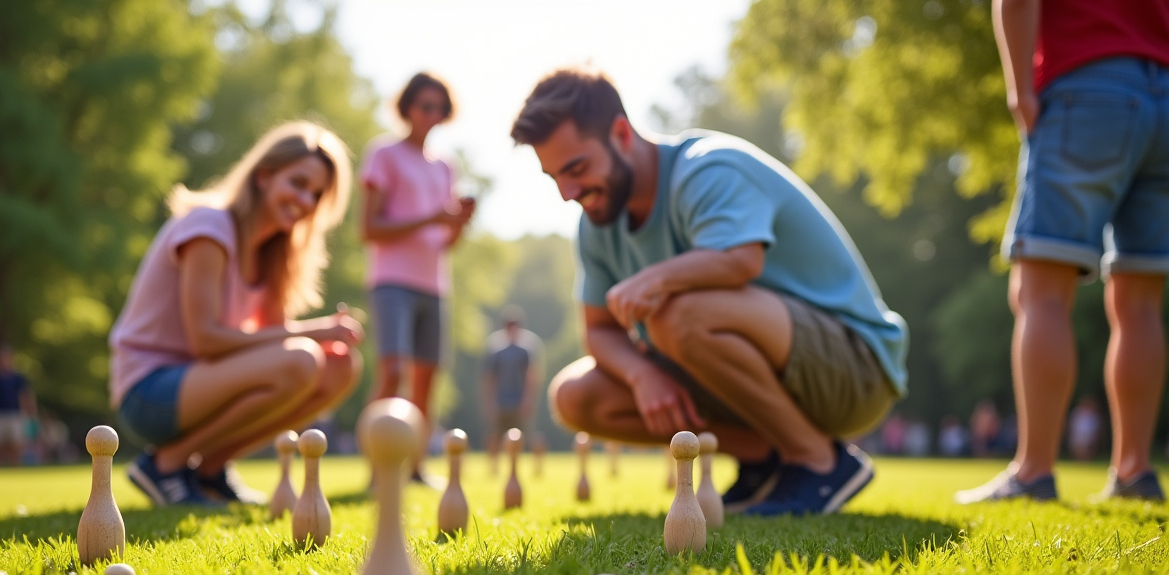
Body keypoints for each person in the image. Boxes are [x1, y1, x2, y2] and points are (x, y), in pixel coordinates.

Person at [511, 70, 908, 516]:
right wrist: (643, 376)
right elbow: (599, 331)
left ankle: (819, 463)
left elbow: (740, 259)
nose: (568, 193)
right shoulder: (596, 225)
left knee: (674, 314)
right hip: (760, 372)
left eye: (577, 169)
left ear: (620, 133)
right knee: (576, 395)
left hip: (854, 369)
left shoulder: (707, 167)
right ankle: (765, 459)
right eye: (554, 178)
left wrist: (653, 280)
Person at [957, 0, 1169, 503]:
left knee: (1040, 292)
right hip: (1164, 94)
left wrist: (1019, 90)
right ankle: (1134, 470)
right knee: (1140, 303)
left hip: (1087, 87)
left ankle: (1033, 471)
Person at [109, 121, 362, 507]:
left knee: (338, 367)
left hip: (201, 383)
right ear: (263, 176)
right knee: (303, 359)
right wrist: (317, 331)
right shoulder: (209, 226)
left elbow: (278, 343)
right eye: (297, 183)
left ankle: (210, 469)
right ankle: (165, 466)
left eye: (317, 194)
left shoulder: (275, 254)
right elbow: (207, 341)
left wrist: (322, 339)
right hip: (149, 391)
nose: (307, 201)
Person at [360, 73, 475, 483]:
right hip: (392, 280)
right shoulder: (384, 153)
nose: (432, 115)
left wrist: (458, 222)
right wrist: (433, 216)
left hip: (434, 284)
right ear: (407, 107)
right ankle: (378, 467)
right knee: (392, 372)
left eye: (440, 109)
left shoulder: (446, 166)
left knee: (426, 382)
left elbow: (445, 242)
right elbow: (369, 228)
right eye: (425, 106)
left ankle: (414, 466)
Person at [481, 305, 543, 467]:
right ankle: (492, 467)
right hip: (500, 401)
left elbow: (531, 377)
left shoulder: (525, 351)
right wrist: (490, 401)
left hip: (518, 401)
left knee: (522, 436)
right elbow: (490, 378)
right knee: (495, 435)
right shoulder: (496, 350)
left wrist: (528, 400)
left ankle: (520, 465)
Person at [0, 345, 36, 466]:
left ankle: (16, 471)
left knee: (16, 445)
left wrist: (30, 414)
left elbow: (25, 396)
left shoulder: (18, 378)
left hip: (15, 414)